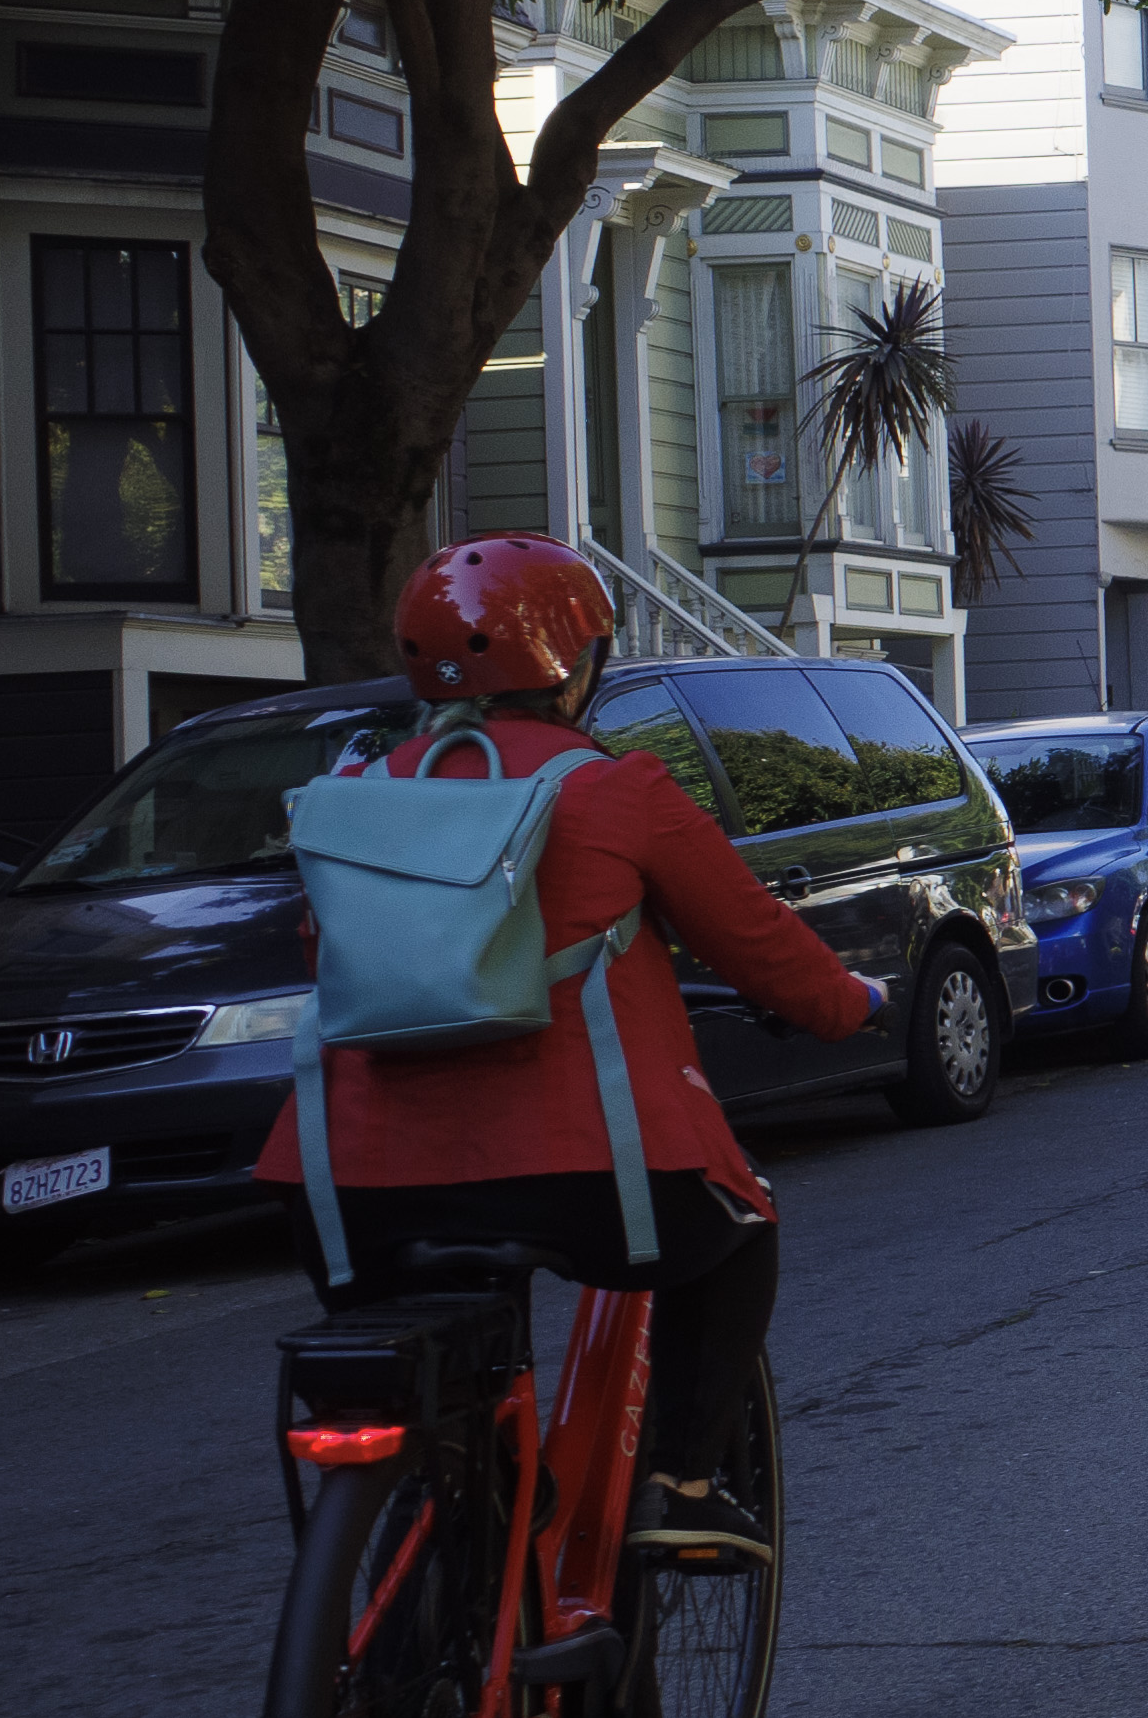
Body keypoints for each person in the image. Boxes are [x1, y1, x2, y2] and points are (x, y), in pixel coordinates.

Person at [261, 538, 892, 1537]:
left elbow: (327, 962)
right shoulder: (613, 789)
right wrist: (850, 1002)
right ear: (577, 665)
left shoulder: (354, 799)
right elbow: (757, 942)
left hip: (349, 1183)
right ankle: (679, 1486)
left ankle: (455, 1556)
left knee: (429, 1387)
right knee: (738, 1236)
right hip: (593, 1172)